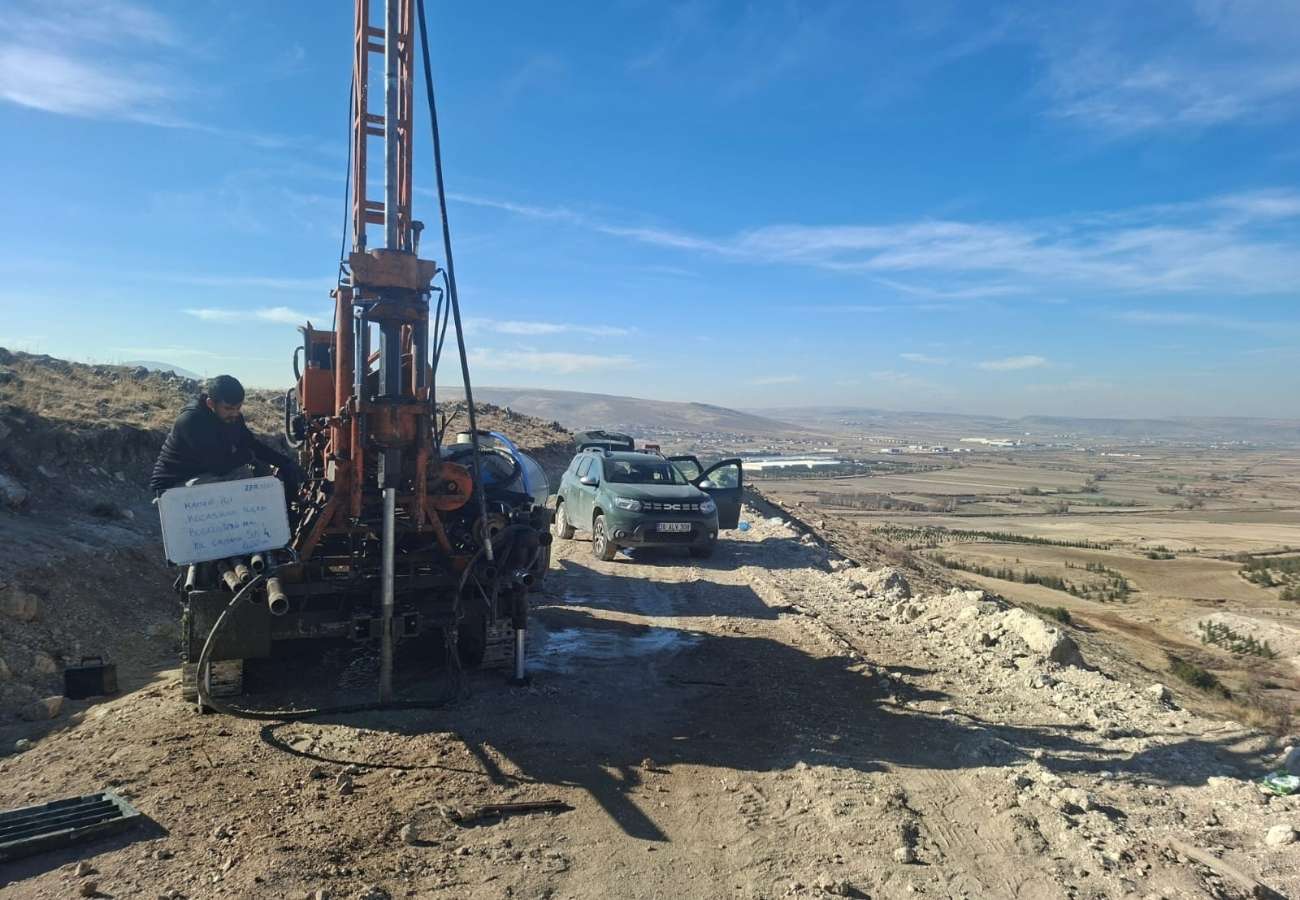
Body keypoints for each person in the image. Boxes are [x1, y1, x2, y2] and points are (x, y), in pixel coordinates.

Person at [150, 376, 301, 506]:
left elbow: (251, 444)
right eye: (228, 408)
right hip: (170, 489)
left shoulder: (233, 418)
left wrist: (285, 463)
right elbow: (219, 466)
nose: (234, 413)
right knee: (242, 475)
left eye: (238, 408)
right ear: (210, 404)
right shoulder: (192, 420)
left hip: (202, 477)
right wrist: (248, 456)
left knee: (263, 471)